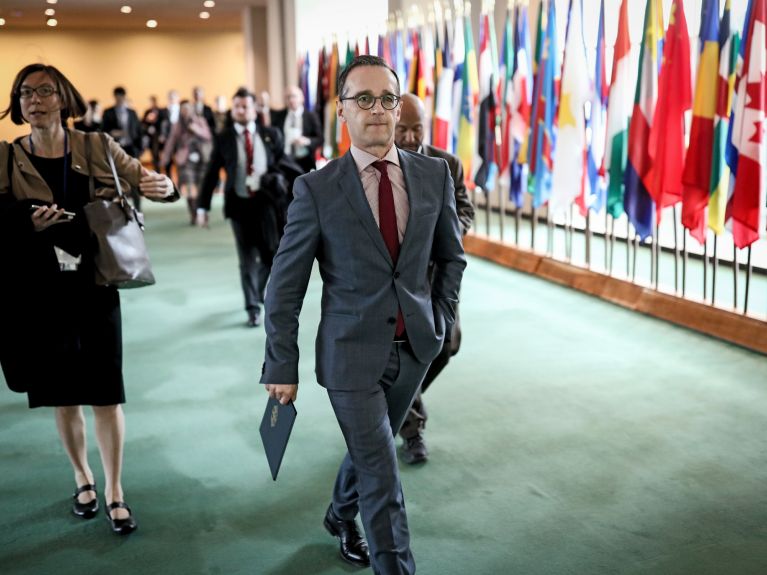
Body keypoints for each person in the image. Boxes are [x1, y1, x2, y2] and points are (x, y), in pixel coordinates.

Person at [261, 56, 466, 574]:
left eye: (387, 99)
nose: (377, 110)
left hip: (416, 349)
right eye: (364, 99)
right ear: (342, 110)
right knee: (381, 469)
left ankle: (338, 515)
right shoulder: (317, 189)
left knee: (366, 451)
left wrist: (440, 319)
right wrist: (280, 365)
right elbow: (284, 286)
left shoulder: (433, 174)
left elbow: (451, 256)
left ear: (399, 108)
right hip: (349, 356)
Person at [0, 63, 178, 536]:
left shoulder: (96, 145)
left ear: (64, 99)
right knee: (63, 396)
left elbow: (145, 180)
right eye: (24, 93)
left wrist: (166, 186)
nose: (34, 100)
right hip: (42, 292)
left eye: (44, 91)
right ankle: (82, 477)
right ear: (18, 105)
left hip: (94, 286)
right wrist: (25, 220)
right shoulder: (6, 156)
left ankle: (116, 490)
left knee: (104, 393)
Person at [393, 93, 474, 464]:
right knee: (404, 352)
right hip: (398, 282)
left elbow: (465, 210)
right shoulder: (383, 163)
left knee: (446, 346)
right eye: (402, 128)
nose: (409, 136)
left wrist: (445, 232)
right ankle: (412, 431)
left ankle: (393, 402)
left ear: (427, 126)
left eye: (416, 128)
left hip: (439, 275)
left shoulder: (448, 163)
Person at [197, 88, 286, 328]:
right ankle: (252, 308)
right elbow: (212, 172)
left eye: (245, 106)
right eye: (237, 107)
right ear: (233, 110)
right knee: (246, 259)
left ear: (254, 109)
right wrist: (202, 207)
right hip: (238, 205)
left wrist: (272, 179)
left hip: (265, 204)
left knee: (272, 254)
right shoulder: (224, 138)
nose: (241, 110)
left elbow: (281, 164)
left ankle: (258, 291)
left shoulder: (271, 134)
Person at [161, 100, 212, 224]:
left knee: (201, 188)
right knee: (189, 188)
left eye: (187, 109)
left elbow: (208, 136)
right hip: (184, 160)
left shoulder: (200, 121)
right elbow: (171, 141)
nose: (185, 111)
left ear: (191, 109)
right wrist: (165, 157)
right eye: (183, 109)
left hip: (201, 159)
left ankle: (202, 212)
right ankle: (193, 214)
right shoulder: (177, 125)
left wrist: (196, 129)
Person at [101, 86, 143, 209]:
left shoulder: (132, 112)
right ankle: (120, 209)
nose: (119, 99)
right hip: (116, 149)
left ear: (124, 97)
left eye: (121, 97)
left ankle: (137, 209)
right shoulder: (108, 112)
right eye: (117, 97)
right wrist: (112, 133)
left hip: (131, 149)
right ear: (115, 97)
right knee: (116, 180)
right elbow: (103, 131)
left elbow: (139, 132)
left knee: (134, 180)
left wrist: (139, 150)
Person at [270, 85, 323, 174]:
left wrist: (307, 141)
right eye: (288, 97)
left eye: (294, 96)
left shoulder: (311, 116)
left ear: (302, 98)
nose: (291, 100)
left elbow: (320, 139)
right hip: (284, 161)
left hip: (305, 162)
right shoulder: (278, 116)